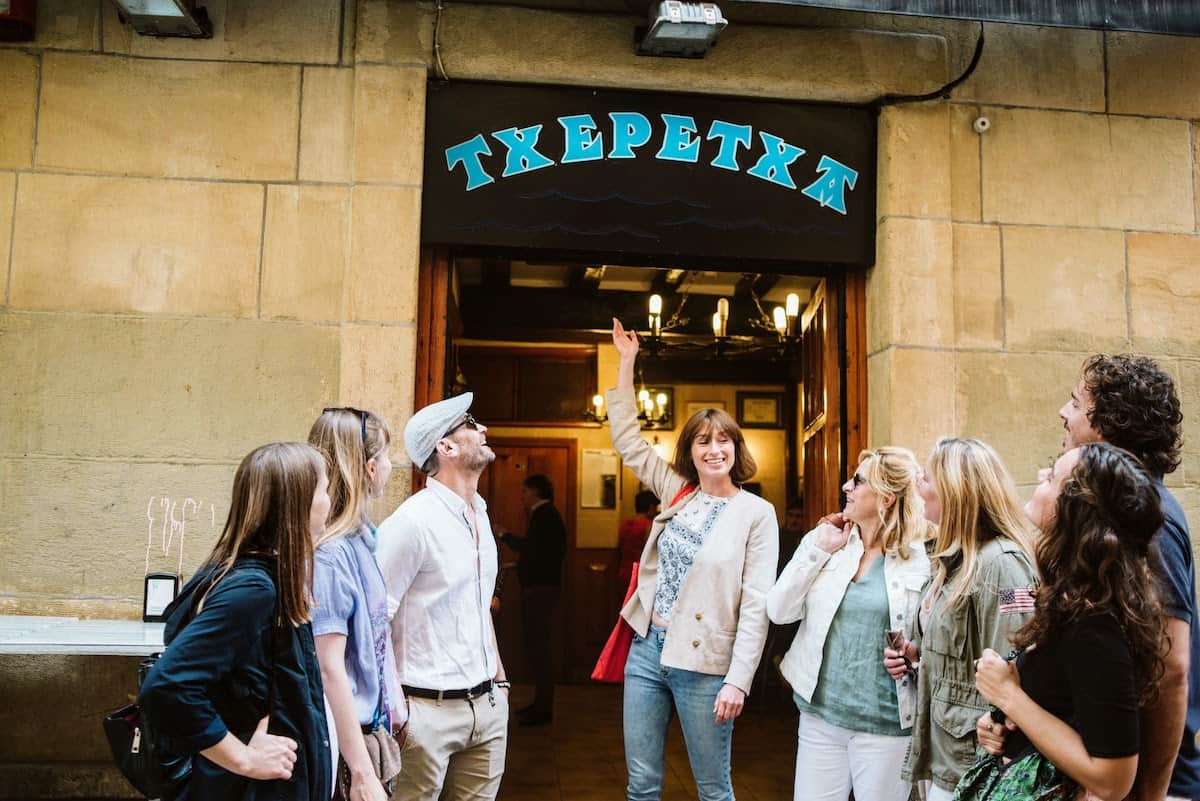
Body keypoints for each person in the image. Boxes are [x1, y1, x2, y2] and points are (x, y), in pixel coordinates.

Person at [988, 354, 1198, 801]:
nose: (1064, 413)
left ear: (1108, 424)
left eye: (1075, 402)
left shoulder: (1150, 520)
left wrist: (1152, 794)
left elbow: (1173, 668)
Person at [609, 318, 778, 801]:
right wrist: (627, 364)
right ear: (690, 451)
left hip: (706, 665)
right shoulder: (677, 492)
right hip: (647, 650)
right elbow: (628, 442)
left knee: (713, 789)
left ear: (736, 448)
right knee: (641, 785)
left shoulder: (755, 514)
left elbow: (756, 604)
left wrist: (739, 681)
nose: (713, 449)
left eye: (723, 440)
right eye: (702, 441)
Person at [972, 443, 1167, 801]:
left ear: (1076, 511)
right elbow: (1067, 713)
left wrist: (1010, 696)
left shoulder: (1094, 622)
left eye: (1052, 475)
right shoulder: (1076, 599)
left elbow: (1113, 778)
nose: (1040, 476)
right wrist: (1003, 727)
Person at [139, 442, 333, 801]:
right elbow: (167, 687)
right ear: (298, 501)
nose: (329, 500)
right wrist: (243, 758)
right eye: (324, 489)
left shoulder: (270, 578)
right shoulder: (253, 590)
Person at [767, 446, 931, 801]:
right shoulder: (827, 540)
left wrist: (915, 658)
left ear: (886, 498)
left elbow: (935, 641)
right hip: (821, 715)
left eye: (857, 481)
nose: (845, 486)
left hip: (886, 724)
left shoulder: (923, 560)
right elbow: (779, 611)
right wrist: (819, 551)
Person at [883, 437, 1038, 801]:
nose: (919, 488)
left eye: (926, 478)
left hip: (975, 767)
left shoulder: (1002, 564)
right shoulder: (951, 561)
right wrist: (917, 656)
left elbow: (1016, 665)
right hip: (943, 753)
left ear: (955, 489)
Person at [375, 393, 510, 801]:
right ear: (446, 447)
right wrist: (397, 708)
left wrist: (500, 682)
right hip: (424, 712)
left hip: (486, 707)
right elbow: (374, 619)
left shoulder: (481, 515)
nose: (483, 429)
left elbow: (478, 604)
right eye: (471, 423)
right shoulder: (411, 523)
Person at [308, 407, 403, 801]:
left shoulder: (361, 540)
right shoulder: (331, 555)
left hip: (370, 729)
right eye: (385, 456)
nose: (390, 465)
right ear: (367, 468)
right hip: (345, 743)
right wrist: (362, 772)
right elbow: (330, 668)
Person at [499, 473, 568, 726]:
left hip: (540, 590)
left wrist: (505, 535)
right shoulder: (546, 515)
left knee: (539, 648)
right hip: (542, 588)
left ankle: (543, 707)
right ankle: (540, 703)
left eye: (525, 492)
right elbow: (541, 552)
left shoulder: (545, 515)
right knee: (538, 647)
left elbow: (533, 549)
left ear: (536, 492)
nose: (522, 497)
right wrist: (519, 565)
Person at [618, 489, 659, 591]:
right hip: (640, 573)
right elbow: (650, 552)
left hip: (624, 571)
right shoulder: (648, 526)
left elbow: (619, 548)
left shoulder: (625, 524)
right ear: (651, 507)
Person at [777, 498, 805, 577]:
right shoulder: (778, 538)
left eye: (798, 516)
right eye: (790, 515)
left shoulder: (809, 537)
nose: (793, 520)